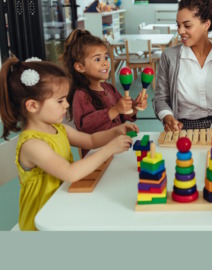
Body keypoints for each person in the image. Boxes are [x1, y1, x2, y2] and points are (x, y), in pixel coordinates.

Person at [0, 57, 136, 230]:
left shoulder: (59, 129)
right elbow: (70, 173)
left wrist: (115, 131)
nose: (67, 105)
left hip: (65, 205)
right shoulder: (32, 144)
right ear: (32, 106)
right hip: (43, 222)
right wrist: (110, 149)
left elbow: (91, 140)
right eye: (60, 101)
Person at [61, 29, 147, 157]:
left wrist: (134, 107)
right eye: (97, 59)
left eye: (106, 57)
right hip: (97, 156)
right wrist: (115, 110)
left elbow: (122, 115)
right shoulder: (81, 94)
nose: (105, 63)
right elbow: (85, 127)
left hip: (117, 150)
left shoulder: (109, 88)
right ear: (80, 67)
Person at [152, 0, 212, 131]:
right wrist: (168, 118)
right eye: (178, 25)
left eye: (187, 26)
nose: (180, 31)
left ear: (206, 24)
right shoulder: (169, 57)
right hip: (182, 129)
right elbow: (160, 99)